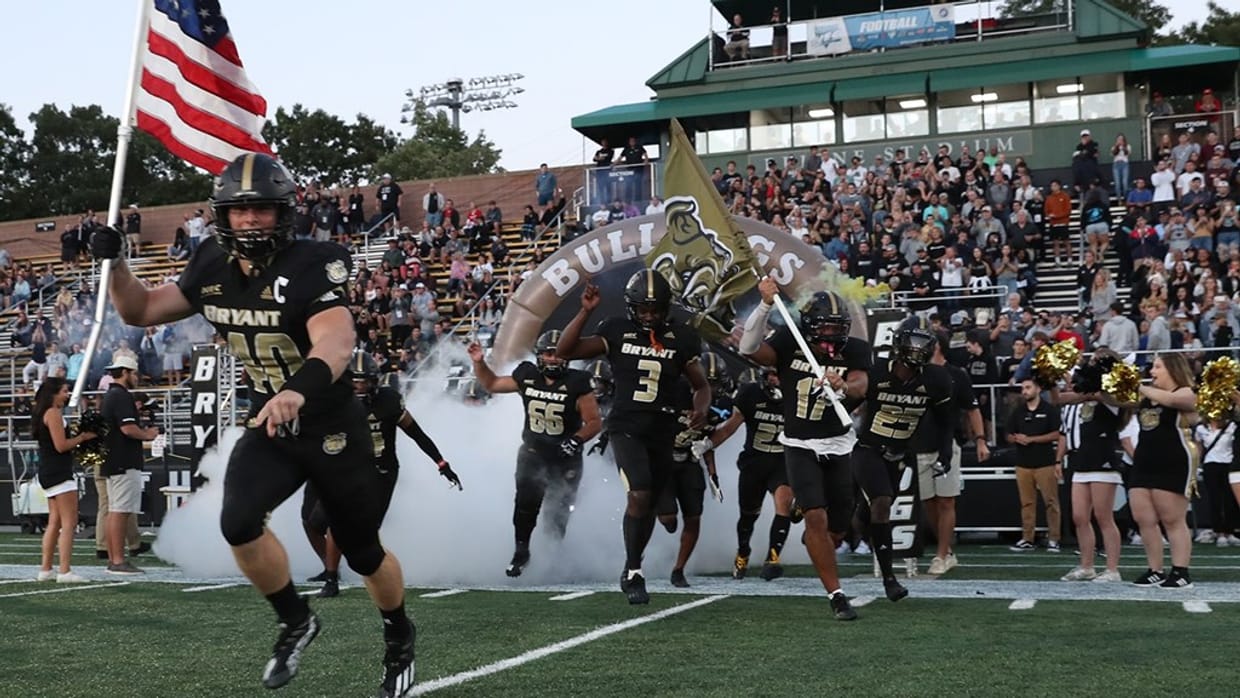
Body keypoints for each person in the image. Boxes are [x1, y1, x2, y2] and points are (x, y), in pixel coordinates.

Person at [90, 152, 418, 696]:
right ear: (222, 215)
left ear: (282, 212)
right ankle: (295, 620)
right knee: (237, 522)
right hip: (270, 420)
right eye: (239, 211)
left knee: (361, 550)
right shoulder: (210, 264)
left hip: (330, 423)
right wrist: (117, 263)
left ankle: (399, 635)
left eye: (260, 210)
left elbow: (337, 342)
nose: (249, 221)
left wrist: (296, 390)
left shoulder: (316, 260)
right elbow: (140, 311)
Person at [556, 269, 710, 605]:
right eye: (643, 310)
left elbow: (701, 386)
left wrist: (701, 408)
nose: (649, 316)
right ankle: (635, 570)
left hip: (663, 429)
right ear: (632, 308)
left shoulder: (681, 337)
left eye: (655, 309)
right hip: (626, 426)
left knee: (652, 505)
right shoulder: (616, 330)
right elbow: (565, 350)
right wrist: (585, 311)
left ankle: (631, 568)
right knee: (639, 495)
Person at [739, 281, 870, 621]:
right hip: (799, 443)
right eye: (824, 326)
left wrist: (843, 386)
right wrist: (765, 305)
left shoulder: (853, 349)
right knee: (816, 516)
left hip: (839, 443)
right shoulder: (788, 340)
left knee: (837, 528)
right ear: (809, 324)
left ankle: (814, 532)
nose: (831, 335)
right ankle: (836, 595)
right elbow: (748, 346)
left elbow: (862, 383)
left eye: (837, 328)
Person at [308, 352, 462, 598]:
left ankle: (375, 575)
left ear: (375, 381)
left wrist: (440, 462)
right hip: (346, 470)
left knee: (364, 533)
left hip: (380, 472)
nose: (358, 387)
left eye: (364, 381)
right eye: (354, 381)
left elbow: (416, 433)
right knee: (325, 522)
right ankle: (332, 578)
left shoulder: (388, 401)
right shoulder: (336, 402)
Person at [468, 331, 600, 577]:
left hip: (565, 455)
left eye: (558, 353)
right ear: (539, 355)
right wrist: (479, 362)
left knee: (558, 512)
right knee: (525, 504)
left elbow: (593, 421)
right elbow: (492, 384)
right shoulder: (527, 375)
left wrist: (576, 439)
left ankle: (553, 556)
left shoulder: (578, 382)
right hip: (533, 451)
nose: (553, 358)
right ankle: (521, 551)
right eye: (548, 353)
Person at [702, 365, 793, 581]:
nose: (776, 379)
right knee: (748, 516)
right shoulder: (750, 394)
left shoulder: (795, 395)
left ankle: (773, 558)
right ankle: (743, 552)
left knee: (784, 503)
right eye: (772, 374)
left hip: (782, 461)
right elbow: (728, 428)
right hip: (754, 462)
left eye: (779, 374)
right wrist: (707, 445)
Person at [914, 333, 988, 576]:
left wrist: (980, 440)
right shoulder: (916, 373)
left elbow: (972, 409)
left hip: (947, 444)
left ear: (937, 347)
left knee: (946, 500)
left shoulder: (957, 374)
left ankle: (942, 553)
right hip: (920, 444)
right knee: (928, 503)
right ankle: (946, 549)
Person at [658, 353, 732, 587]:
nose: (710, 389)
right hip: (665, 461)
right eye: (705, 383)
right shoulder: (672, 393)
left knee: (693, 517)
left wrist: (712, 473)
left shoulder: (722, 406)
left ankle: (678, 569)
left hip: (689, 462)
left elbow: (708, 441)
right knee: (668, 519)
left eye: (715, 383)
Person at [1126, 353, 1199, 589]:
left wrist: (1138, 386)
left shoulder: (1185, 391)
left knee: (1172, 519)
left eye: (1158, 367)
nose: (1152, 372)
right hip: (1144, 460)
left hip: (1173, 461)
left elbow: (1181, 402)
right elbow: (1116, 399)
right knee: (1143, 518)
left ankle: (1180, 571)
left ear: (1173, 369)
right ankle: (1155, 569)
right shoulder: (1147, 394)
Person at [1052, 353, 1126, 583]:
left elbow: (1110, 397)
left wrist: (1090, 383)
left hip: (1103, 459)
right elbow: (1057, 399)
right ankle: (1087, 566)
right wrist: (1049, 380)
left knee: (1103, 516)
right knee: (1079, 516)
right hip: (1083, 458)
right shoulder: (1085, 396)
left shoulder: (1113, 396)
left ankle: (1113, 569)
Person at [98, 355, 159, 575]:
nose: (136, 377)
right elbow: (128, 429)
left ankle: (114, 558)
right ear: (126, 372)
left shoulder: (111, 395)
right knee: (120, 511)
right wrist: (148, 434)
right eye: (134, 373)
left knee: (115, 510)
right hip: (123, 461)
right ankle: (117, 560)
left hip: (114, 461)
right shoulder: (120, 396)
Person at [33, 377, 96, 583]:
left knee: (54, 521)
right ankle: (65, 571)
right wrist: (82, 438)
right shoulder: (53, 413)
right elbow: (61, 445)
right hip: (58, 471)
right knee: (69, 523)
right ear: (53, 393)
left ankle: (46, 569)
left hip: (48, 471)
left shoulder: (44, 412)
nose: (67, 394)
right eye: (64, 391)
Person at [1005, 379, 1063, 552]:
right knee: (1027, 503)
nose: (1024, 391)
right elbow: (1008, 434)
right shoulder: (1018, 411)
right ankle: (1027, 538)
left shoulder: (1049, 410)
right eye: (1023, 388)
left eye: (1028, 387)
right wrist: (1016, 438)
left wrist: (1032, 439)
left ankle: (1054, 538)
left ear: (1038, 389)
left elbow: (1057, 434)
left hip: (1045, 462)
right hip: (1023, 463)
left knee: (1051, 502)